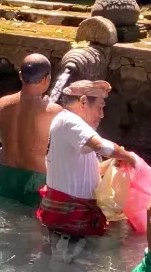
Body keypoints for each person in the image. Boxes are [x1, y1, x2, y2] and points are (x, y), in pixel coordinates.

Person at [38, 80, 136, 256]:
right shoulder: (71, 121)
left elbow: (86, 172)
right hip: (70, 221)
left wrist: (113, 164)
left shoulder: (68, 124)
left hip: (68, 219)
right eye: (99, 107)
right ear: (83, 102)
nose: (102, 115)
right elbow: (101, 146)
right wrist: (129, 157)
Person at [0, 54, 60, 206]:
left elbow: (1, 138)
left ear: (21, 75)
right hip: (34, 178)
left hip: (4, 173)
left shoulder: (1, 104)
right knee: (32, 227)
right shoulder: (53, 111)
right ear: (47, 79)